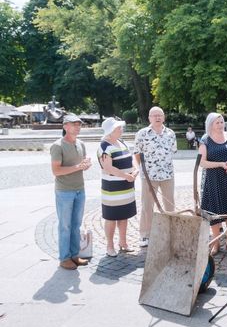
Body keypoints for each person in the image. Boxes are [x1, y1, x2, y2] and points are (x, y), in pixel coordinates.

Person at [199, 112, 227, 255]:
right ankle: (216, 243)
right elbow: (202, 162)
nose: (220, 125)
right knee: (214, 211)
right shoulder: (205, 139)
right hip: (213, 180)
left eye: (221, 122)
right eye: (217, 123)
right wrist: (220, 164)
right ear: (210, 124)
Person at [50, 114, 92, 270]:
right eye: (74, 124)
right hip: (64, 191)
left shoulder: (81, 144)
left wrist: (86, 164)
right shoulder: (58, 146)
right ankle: (64, 258)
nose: (77, 127)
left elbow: (82, 164)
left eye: (79, 124)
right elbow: (56, 171)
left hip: (80, 189)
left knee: (76, 225)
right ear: (65, 126)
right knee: (65, 226)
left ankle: (74, 255)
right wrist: (78, 167)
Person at [133, 106, 177, 248]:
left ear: (164, 117)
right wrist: (143, 169)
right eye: (154, 115)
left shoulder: (170, 133)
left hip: (167, 175)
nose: (157, 117)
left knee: (169, 205)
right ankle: (145, 235)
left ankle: (170, 232)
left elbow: (172, 152)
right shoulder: (142, 134)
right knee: (147, 206)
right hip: (149, 176)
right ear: (149, 118)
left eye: (160, 115)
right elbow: (137, 154)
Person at [98, 117, 138, 257]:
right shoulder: (104, 147)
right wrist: (126, 176)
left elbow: (131, 159)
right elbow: (108, 168)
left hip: (126, 187)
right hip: (113, 189)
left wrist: (135, 170)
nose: (121, 130)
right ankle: (110, 246)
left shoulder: (121, 142)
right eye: (118, 128)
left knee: (124, 216)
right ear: (110, 131)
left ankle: (123, 242)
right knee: (111, 217)